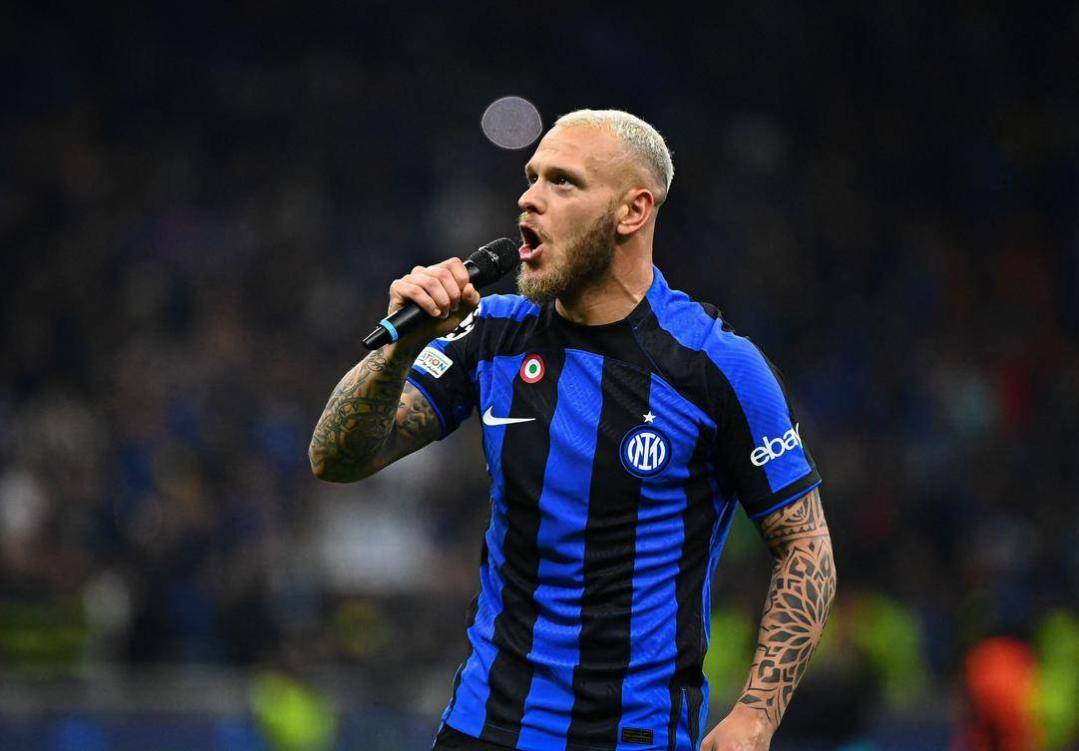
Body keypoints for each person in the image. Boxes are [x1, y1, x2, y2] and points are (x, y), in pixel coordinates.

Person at [309, 109, 836, 751]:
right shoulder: (492, 332)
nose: (529, 198)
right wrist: (397, 350)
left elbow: (805, 544)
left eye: (563, 182)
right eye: (531, 177)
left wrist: (757, 713)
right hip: (483, 728)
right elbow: (335, 458)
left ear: (632, 211)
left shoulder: (715, 366)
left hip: (632, 737)